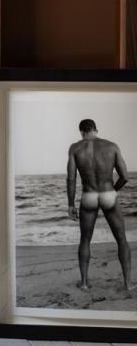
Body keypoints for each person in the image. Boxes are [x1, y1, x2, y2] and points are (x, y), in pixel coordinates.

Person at [67, 119, 132, 291]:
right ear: (96, 129)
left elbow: (71, 178)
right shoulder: (111, 146)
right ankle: (128, 284)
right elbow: (125, 177)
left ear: (82, 132)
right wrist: (113, 190)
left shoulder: (75, 148)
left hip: (88, 195)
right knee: (121, 240)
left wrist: (71, 204)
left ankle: (84, 283)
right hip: (108, 193)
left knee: (85, 240)